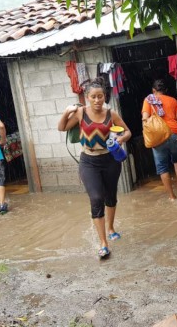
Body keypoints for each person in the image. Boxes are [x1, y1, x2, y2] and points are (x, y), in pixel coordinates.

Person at [58, 77, 131, 259]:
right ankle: (103, 243)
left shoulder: (111, 114)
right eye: (93, 97)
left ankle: (111, 228)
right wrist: (67, 112)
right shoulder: (81, 113)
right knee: (96, 198)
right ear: (87, 97)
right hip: (88, 161)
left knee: (110, 196)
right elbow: (62, 127)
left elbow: (127, 131)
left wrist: (121, 139)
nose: (97, 100)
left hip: (110, 160)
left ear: (105, 96)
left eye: (100, 96)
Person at [141, 79, 177, 201]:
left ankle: (172, 196)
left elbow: (145, 120)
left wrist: (149, 136)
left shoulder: (148, 100)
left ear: (153, 91)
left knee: (162, 168)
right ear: (165, 91)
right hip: (175, 133)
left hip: (158, 136)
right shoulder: (173, 100)